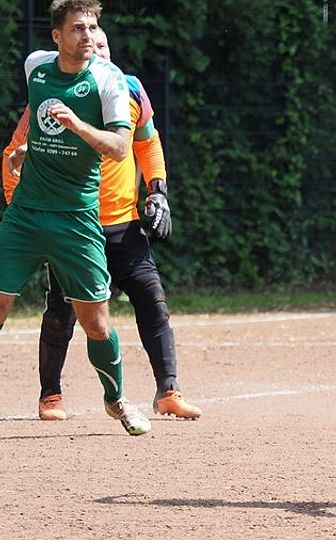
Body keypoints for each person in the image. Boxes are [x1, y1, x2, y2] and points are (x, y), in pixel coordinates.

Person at [3, 28, 201, 421]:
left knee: (153, 300)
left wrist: (158, 191)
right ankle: (51, 396)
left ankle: (168, 390)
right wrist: (24, 210)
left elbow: (147, 143)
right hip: (72, 223)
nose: (95, 49)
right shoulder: (55, 92)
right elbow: (14, 150)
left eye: (102, 44)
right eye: (88, 44)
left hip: (122, 223)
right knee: (61, 313)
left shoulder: (130, 89)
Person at [0, 0, 150, 435]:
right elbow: (39, 120)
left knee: (95, 323)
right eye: (78, 28)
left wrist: (78, 126)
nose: (88, 36)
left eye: (93, 27)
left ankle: (116, 399)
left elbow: (119, 148)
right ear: (57, 36)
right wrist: (25, 150)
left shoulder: (108, 80)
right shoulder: (36, 67)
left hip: (76, 220)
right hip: (26, 214)